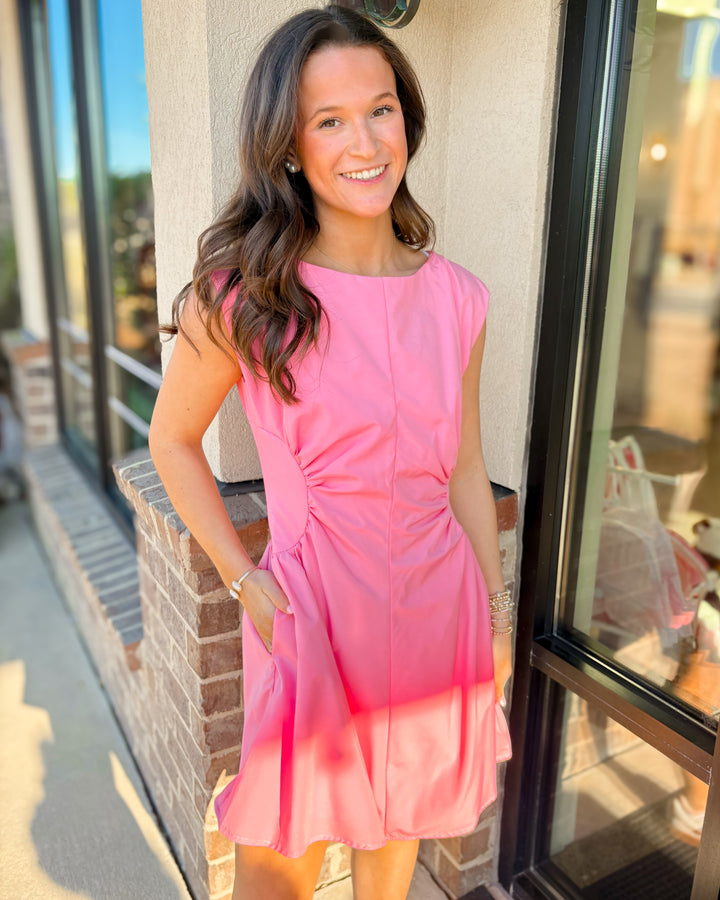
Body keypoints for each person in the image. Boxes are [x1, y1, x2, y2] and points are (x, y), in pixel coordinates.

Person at [148, 6, 513, 899]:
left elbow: (464, 463)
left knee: (392, 861)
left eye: (381, 109)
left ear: (407, 119)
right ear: (288, 144)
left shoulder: (458, 297)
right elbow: (173, 442)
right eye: (329, 119)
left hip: (439, 614)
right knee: (276, 878)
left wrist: (496, 610)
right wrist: (247, 582)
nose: (365, 140)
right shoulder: (244, 295)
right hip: (309, 618)